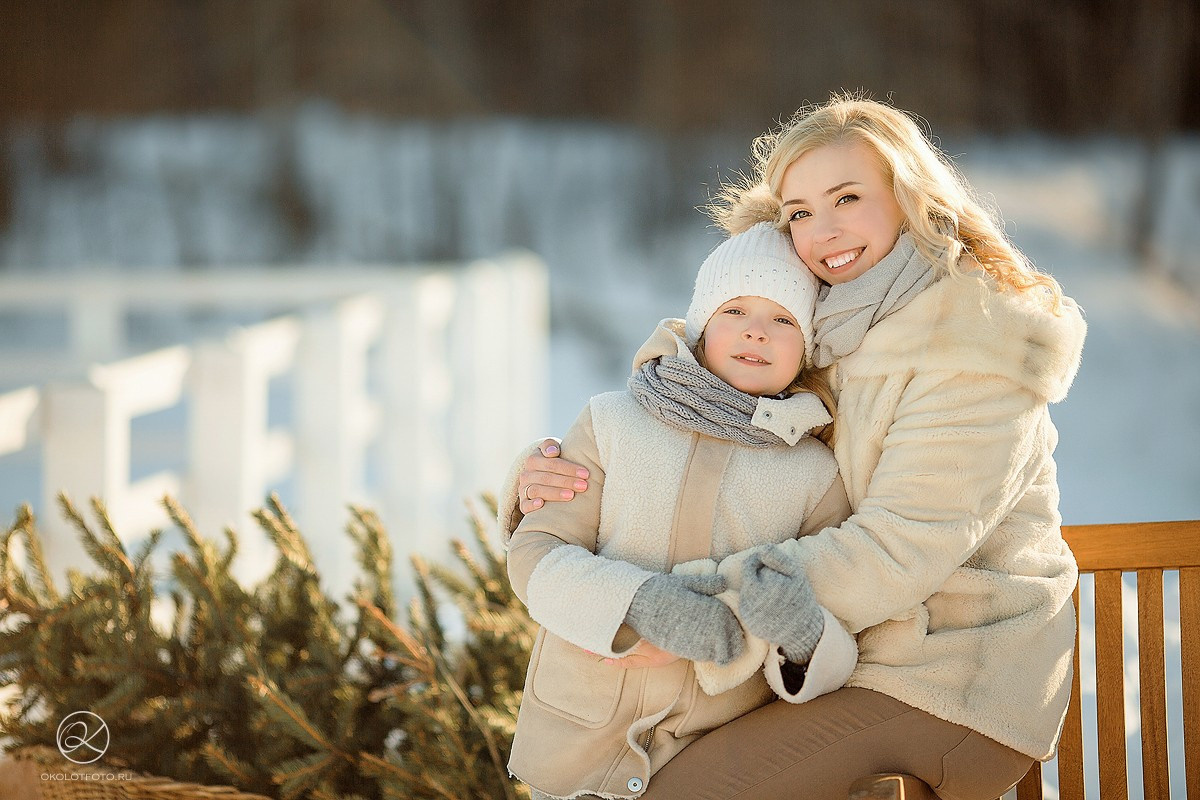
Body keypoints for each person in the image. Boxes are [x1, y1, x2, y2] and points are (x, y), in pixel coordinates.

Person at [503, 95, 1086, 800]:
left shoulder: (975, 344)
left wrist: (687, 612)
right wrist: (563, 478)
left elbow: (895, 550)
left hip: (949, 674)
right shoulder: (833, 309)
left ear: (910, 196)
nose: (822, 231)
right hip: (835, 662)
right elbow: (702, 387)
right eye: (800, 212)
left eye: (848, 197)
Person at [505, 222, 858, 800]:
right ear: (699, 326)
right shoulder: (611, 422)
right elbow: (537, 554)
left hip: (718, 754)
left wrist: (804, 637)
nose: (757, 333)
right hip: (582, 745)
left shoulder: (814, 474)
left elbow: (837, 619)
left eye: (784, 320)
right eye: (735, 310)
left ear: (807, 347)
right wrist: (639, 604)